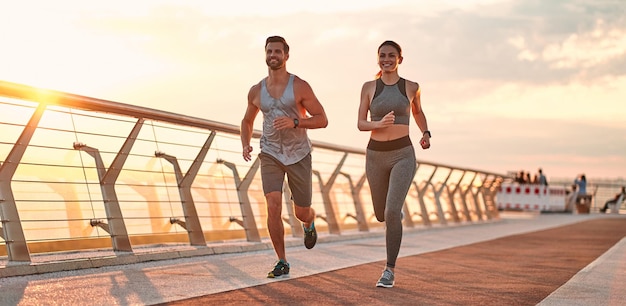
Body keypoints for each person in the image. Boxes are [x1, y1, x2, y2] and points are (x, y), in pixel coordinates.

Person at [240, 35, 328, 279]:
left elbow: (322, 119)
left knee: (301, 211)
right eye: (269, 51)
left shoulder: (299, 86)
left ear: (286, 56)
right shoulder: (256, 90)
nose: (273, 55)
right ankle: (282, 260)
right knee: (273, 204)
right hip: (270, 153)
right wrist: (246, 143)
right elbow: (247, 120)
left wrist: (295, 121)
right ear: (265, 55)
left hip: (298, 154)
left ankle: (309, 223)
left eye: (278, 51)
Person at [357, 40, 430, 288]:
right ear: (377, 59)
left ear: (400, 58)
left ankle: (389, 270)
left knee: (390, 212)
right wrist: (378, 124)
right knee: (382, 214)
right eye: (382, 56)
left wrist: (426, 132)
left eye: (391, 55)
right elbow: (360, 123)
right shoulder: (369, 87)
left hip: (403, 154)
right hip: (375, 154)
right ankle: (393, 213)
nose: (386, 59)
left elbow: (418, 112)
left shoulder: (411, 87)